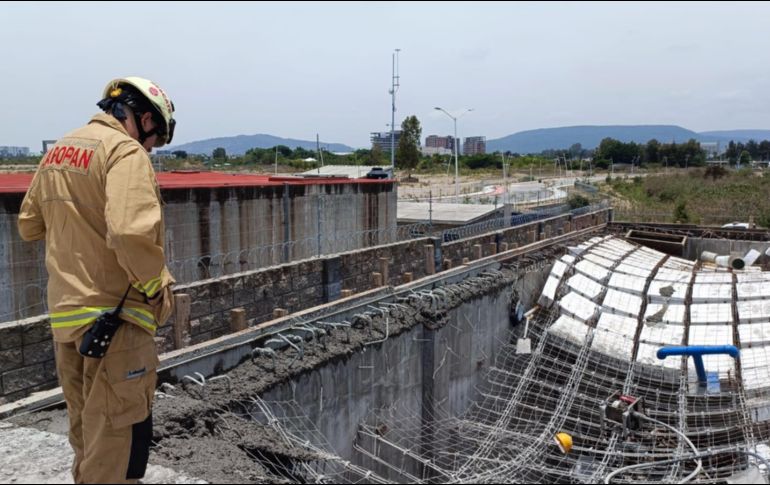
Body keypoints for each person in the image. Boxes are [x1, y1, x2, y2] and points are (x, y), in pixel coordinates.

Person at [17, 77, 177, 483]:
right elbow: (128, 232)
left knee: (87, 439)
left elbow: (29, 225)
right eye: (153, 139)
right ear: (142, 119)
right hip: (116, 324)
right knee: (116, 445)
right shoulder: (125, 152)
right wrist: (156, 287)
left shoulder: (60, 151)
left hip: (68, 322)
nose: (150, 148)